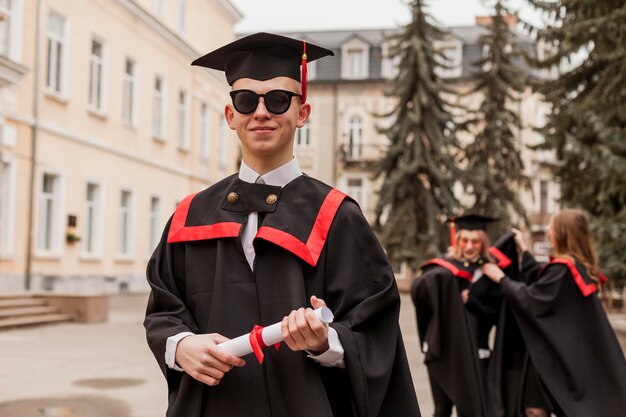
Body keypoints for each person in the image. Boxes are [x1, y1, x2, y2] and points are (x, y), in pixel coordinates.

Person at [143, 32, 421, 417]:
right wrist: (180, 345)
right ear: (230, 116)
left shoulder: (337, 215)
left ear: (302, 113)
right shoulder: (191, 215)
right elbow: (163, 311)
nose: (261, 112)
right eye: (246, 101)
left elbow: (374, 327)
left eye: (278, 100)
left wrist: (327, 342)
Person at [482, 209, 626, 417]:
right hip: (563, 351)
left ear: (562, 233)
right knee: (537, 407)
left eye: (553, 228)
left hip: (553, 354)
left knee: (535, 410)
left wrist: (501, 279)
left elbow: (532, 298)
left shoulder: (564, 269)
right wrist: (524, 250)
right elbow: (541, 279)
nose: (549, 232)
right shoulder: (577, 267)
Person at [411, 214, 512, 417]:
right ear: (457, 241)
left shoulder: (490, 273)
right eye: (464, 240)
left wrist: (471, 302)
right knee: (442, 409)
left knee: (472, 409)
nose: (469, 246)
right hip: (443, 348)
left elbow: (495, 315)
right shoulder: (442, 271)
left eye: (475, 241)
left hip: (476, 350)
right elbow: (423, 302)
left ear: (483, 243)